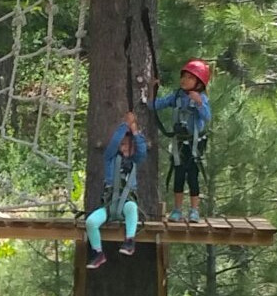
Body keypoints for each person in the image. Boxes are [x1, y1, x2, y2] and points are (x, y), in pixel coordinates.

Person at [149, 58, 211, 223]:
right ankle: (176, 210)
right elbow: (157, 104)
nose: (184, 80)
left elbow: (207, 116)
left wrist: (199, 103)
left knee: (192, 176)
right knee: (179, 176)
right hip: (179, 145)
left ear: (199, 83)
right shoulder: (176, 96)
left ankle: (194, 210)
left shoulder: (201, 98)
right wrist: (150, 92)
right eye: (183, 76)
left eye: (190, 78)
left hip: (194, 145)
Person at [85, 111, 147, 270]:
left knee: (132, 207)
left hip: (126, 203)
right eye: (121, 144)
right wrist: (124, 125)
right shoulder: (110, 158)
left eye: (126, 144)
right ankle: (98, 252)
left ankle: (129, 241)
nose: (122, 147)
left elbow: (141, 150)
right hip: (109, 204)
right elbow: (113, 144)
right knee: (91, 222)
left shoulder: (135, 160)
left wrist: (134, 130)